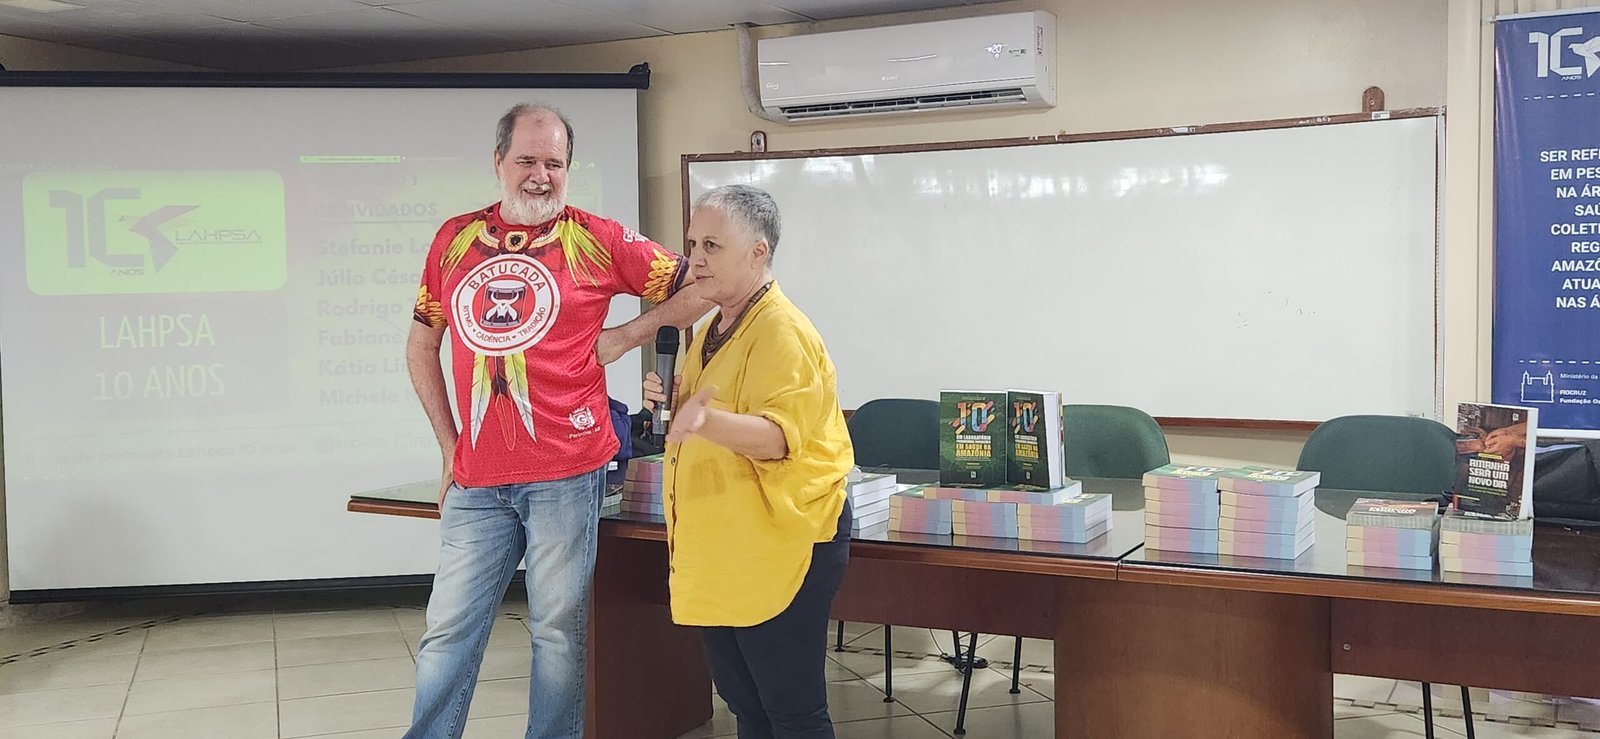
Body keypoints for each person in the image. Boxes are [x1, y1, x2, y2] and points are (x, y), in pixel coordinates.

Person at [403, 102, 709, 739]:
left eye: (554, 163)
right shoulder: (454, 238)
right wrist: (448, 447)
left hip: (567, 476)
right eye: (527, 161)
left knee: (557, 636)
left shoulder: (598, 237)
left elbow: (700, 286)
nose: (541, 176)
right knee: (447, 632)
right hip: (477, 481)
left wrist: (628, 335)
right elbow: (420, 344)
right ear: (498, 162)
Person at [643, 184, 855, 739]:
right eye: (692, 243)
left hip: (780, 543)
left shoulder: (783, 330)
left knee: (791, 709)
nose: (696, 259)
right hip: (725, 547)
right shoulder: (712, 328)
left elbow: (778, 438)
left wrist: (700, 419)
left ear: (758, 252)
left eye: (712, 245)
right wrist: (671, 403)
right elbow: (708, 408)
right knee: (746, 705)